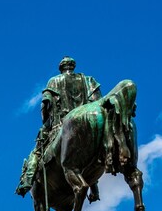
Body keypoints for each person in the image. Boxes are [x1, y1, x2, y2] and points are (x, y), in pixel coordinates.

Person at [17, 57, 102, 199]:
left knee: (37, 152)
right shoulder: (88, 80)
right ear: (73, 66)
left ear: (61, 68)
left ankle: (27, 181)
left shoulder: (54, 81)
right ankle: (94, 188)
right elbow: (97, 101)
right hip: (88, 124)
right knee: (91, 152)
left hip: (60, 125)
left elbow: (46, 104)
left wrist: (46, 123)